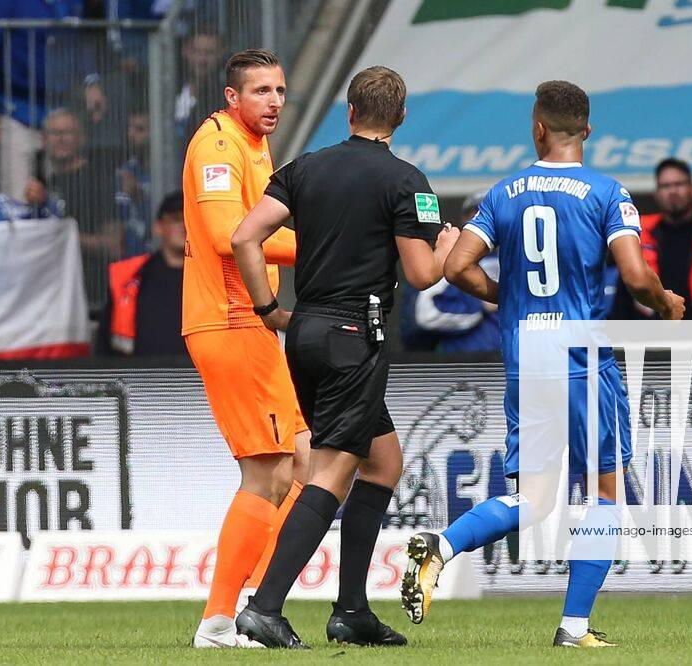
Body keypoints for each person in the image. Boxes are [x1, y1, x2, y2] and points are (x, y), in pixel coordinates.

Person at [401, 80, 684, 649]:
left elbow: (457, 267)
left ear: (537, 129)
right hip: (583, 357)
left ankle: (443, 546)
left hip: (527, 354)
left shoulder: (505, 193)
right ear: (588, 130)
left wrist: (508, 298)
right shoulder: (608, 193)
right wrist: (667, 302)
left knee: (534, 495)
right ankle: (574, 627)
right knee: (605, 491)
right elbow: (633, 276)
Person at [230, 65, 459, 649]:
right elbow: (421, 273)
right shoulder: (409, 182)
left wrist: (268, 310)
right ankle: (264, 607)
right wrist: (449, 246)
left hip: (304, 331)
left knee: (382, 462)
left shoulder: (304, 167)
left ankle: (352, 610)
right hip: (355, 337)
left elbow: (243, 238)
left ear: (349, 112)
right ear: (400, 117)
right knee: (332, 471)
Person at [181, 48, 310, 649]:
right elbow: (225, 235)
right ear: (232, 97)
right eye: (261, 91)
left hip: (254, 327)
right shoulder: (218, 145)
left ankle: (255, 608)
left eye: (280, 91)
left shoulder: (255, 146)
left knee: (305, 464)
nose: (274, 102)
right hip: (229, 320)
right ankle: (220, 618)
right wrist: (320, 243)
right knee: (268, 471)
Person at [0, 0, 106, 200]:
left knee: (62, 196)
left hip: (60, 107)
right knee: (17, 197)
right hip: (16, 108)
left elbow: (80, 38)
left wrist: (91, 80)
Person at [611, 158, 692, 319]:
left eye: (679, 184)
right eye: (665, 186)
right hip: (651, 333)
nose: (673, 191)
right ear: (656, 193)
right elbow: (625, 291)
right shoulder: (638, 231)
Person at [26, 108, 120, 304]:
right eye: (54, 133)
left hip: (93, 296)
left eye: (67, 132)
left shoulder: (99, 181)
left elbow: (114, 246)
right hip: (54, 296)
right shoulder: (46, 183)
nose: (60, 139)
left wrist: (66, 234)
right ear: (44, 140)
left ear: (82, 138)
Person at [401, 189, 502, 353]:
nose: (484, 221)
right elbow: (424, 315)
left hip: (514, 363)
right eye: (477, 214)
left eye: (492, 214)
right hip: (460, 365)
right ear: (465, 220)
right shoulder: (448, 260)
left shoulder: (521, 258)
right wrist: (479, 305)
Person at [96, 192, 187, 357]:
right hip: (138, 376)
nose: (184, 226)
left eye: (189, 219)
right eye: (176, 219)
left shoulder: (212, 275)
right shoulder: (132, 276)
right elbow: (104, 340)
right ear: (158, 227)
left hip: (196, 377)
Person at [117, 110, 152, 257]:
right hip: (126, 258)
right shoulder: (126, 170)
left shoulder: (169, 171)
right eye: (129, 129)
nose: (131, 134)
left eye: (139, 129)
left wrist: (140, 196)